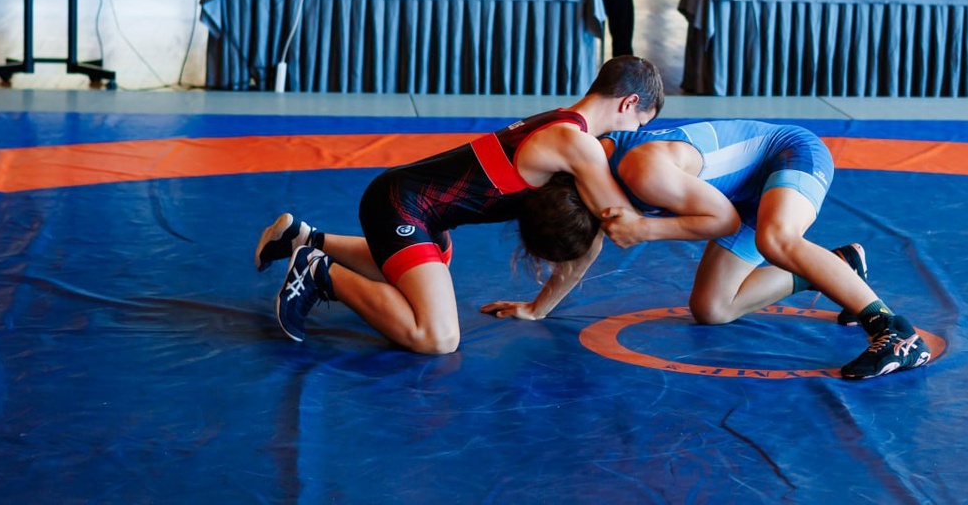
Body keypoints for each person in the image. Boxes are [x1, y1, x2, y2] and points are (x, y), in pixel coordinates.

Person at [255, 56, 665, 353]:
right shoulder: (576, 144)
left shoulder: (563, 122)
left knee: (430, 265)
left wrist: (539, 309)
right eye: (639, 125)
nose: (632, 136)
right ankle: (318, 272)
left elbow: (599, 229)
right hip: (400, 206)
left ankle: (303, 239)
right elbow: (623, 226)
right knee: (438, 337)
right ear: (628, 103)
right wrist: (690, 213)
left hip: (415, 208)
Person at [494, 120, 931, 380]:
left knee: (776, 239)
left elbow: (723, 222)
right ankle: (839, 268)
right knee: (712, 309)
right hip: (741, 196)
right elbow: (584, 251)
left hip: (789, 155)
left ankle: (895, 333)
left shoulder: (640, 170)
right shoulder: (586, 186)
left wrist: (645, 229)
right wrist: (538, 308)